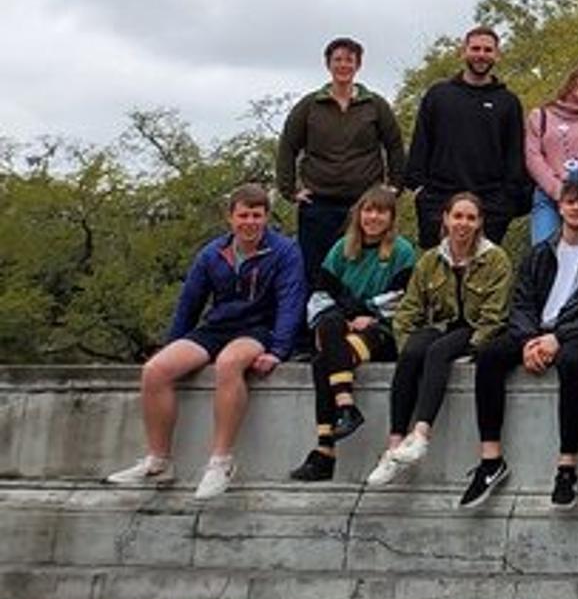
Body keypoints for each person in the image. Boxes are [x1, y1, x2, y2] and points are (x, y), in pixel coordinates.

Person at [107, 184, 307, 500]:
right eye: (243, 215)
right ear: (230, 218)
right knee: (155, 370)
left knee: (229, 364)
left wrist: (279, 350)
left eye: (257, 215)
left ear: (266, 217)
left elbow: (291, 302)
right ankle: (159, 460)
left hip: (258, 329)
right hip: (217, 327)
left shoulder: (284, 251)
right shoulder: (212, 253)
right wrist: (173, 343)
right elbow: (190, 303)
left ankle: (221, 461)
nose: (250, 223)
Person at [460, 175, 578, 510]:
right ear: (560, 206)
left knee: (573, 363)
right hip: (537, 329)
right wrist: (530, 341)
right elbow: (523, 301)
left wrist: (556, 339)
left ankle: (567, 466)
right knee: (489, 355)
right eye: (570, 201)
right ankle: (490, 460)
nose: (576, 208)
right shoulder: (541, 253)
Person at [365, 193, 513, 487]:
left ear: (480, 222)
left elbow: (495, 315)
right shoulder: (431, 260)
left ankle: (420, 435)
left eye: (471, 218)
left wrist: (474, 347)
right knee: (412, 353)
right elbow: (408, 309)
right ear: (445, 218)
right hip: (440, 324)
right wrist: (405, 340)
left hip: (473, 328)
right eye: (458, 216)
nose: (463, 224)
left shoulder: (495, 258)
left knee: (437, 352)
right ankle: (394, 448)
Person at [288, 185, 417, 482]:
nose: (373, 217)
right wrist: (349, 316)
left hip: (380, 330)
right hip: (342, 328)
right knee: (329, 329)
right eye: (368, 210)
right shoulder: (341, 248)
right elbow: (321, 294)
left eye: (380, 211)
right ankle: (345, 407)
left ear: (391, 217)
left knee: (326, 360)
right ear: (359, 215)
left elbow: (400, 300)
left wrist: (364, 313)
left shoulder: (402, 251)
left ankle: (325, 452)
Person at [276, 36, 405, 273]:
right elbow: (288, 147)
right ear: (328, 64)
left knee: (359, 267)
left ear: (358, 65)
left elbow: (395, 145)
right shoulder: (310, 105)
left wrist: (395, 185)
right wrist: (290, 190)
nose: (343, 65)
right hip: (319, 204)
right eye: (338, 60)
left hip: (364, 204)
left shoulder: (375, 105)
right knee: (316, 270)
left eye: (349, 60)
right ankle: (317, 311)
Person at [405, 26, 527, 245]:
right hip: (438, 201)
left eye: (488, 50)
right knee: (437, 275)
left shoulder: (508, 102)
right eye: (476, 48)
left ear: (497, 55)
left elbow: (514, 155)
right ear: (463, 51)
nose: (481, 55)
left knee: (482, 275)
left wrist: (508, 200)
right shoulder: (438, 95)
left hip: (490, 205)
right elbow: (421, 143)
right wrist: (419, 189)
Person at [524, 61, 578, 245]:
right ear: (572, 79)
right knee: (544, 254)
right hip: (547, 197)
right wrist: (558, 191)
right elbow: (533, 157)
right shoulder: (540, 116)